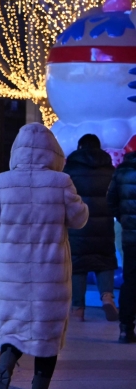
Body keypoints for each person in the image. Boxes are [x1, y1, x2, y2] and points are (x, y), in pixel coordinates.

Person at [0, 123, 88, 389]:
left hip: (12, 272)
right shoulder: (60, 182)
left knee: (13, 325)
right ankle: (40, 384)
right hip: (49, 271)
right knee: (47, 333)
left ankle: (7, 358)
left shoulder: (2, 181)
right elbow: (78, 219)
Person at [63, 134, 118, 321]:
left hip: (78, 224)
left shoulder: (70, 169)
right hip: (104, 224)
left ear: (79, 147)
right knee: (105, 260)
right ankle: (107, 297)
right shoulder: (110, 169)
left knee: (78, 264)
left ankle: (78, 309)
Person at [108, 141, 136, 344]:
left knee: (130, 282)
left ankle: (126, 328)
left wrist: (125, 220)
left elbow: (111, 202)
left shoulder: (121, 172)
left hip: (131, 236)